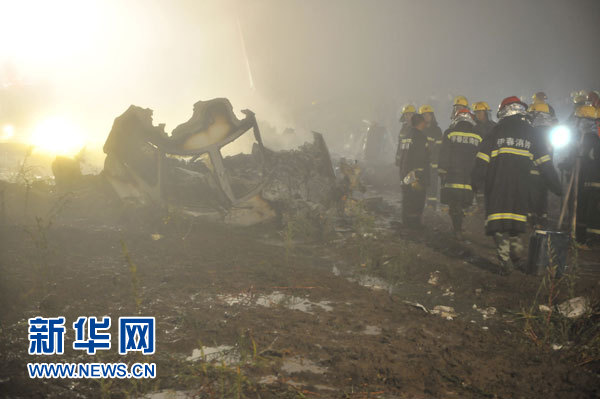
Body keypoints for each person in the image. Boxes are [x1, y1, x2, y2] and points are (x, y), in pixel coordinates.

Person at [472, 96, 561, 275]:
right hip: (521, 188)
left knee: (498, 223)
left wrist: (476, 183)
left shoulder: (495, 131)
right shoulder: (531, 133)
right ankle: (517, 258)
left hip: (497, 186)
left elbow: (481, 160)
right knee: (515, 223)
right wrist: (556, 186)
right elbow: (544, 162)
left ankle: (505, 261)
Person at [438, 108, 481, 240]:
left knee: (454, 202)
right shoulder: (478, 135)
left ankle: (457, 229)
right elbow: (480, 156)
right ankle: (459, 227)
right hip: (469, 176)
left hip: (452, 175)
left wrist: (442, 171)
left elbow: (444, 153)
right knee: (464, 203)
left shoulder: (450, 133)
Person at [562, 105, 600, 247]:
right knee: (575, 207)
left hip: (585, 179)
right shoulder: (578, 136)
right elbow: (571, 155)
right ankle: (573, 234)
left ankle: (580, 238)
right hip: (577, 177)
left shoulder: (593, 139)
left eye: (578, 119)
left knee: (581, 208)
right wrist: (565, 164)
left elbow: (589, 159)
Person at [396, 113, 430, 228]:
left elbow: (401, 156)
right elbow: (420, 157)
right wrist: (419, 174)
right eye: (424, 122)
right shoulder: (420, 137)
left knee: (407, 198)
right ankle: (415, 224)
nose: (426, 123)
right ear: (420, 123)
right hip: (416, 175)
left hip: (404, 173)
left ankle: (406, 222)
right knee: (417, 198)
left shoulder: (406, 136)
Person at [528, 102, 558, 229]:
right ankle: (542, 216)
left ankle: (533, 217)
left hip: (532, 169)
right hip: (546, 169)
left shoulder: (531, 131)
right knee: (543, 193)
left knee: (532, 193)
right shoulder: (551, 131)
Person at [419, 104, 443, 208]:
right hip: (420, 163)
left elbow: (439, 148)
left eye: (428, 115)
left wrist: (436, 162)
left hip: (432, 163)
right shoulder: (418, 130)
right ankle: (420, 206)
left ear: (432, 116)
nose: (426, 117)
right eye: (424, 115)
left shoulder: (437, 130)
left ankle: (431, 207)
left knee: (432, 186)